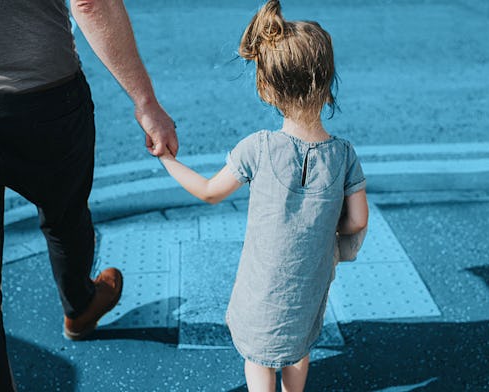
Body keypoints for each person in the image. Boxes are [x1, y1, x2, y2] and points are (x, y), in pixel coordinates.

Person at [0, 0, 177, 390]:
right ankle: (79, 306)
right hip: (45, 98)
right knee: (66, 215)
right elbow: (90, 4)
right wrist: (146, 104)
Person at [158, 1, 368, 391]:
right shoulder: (343, 155)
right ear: (327, 83)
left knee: (258, 360)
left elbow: (208, 192)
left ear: (267, 88)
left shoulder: (258, 148)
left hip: (261, 296)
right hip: (307, 290)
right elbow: (357, 220)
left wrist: (168, 161)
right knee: (298, 351)